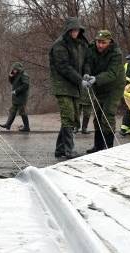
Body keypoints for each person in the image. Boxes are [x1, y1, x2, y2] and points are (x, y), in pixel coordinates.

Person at [49, 17, 88, 159]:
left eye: (77, 30)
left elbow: (86, 61)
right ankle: (68, 150)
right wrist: (80, 79)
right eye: (72, 30)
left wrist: (86, 74)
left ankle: (60, 149)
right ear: (68, 30)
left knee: (73, 118)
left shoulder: (81, 44)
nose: (75, 32)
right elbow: (63, 67)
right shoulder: (59, 45)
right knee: (68, 117)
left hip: (75, 86)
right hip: (62, 86)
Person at [82, 29, 123, 153]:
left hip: (114, 86)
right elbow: (87, 63)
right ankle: (98, 146)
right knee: (98, 115)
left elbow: (112, 73)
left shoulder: (116, 53)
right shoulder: (91, 48)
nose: (100, 45)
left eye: (103, 42)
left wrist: (96, 79)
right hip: (99, 86)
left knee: (107, 114)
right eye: (98, 42)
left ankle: (108, 147)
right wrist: (87, 74)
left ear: (109, 42)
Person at [0, 62, 30, 132]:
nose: (14, 70)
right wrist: (10, 76)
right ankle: (8, 124)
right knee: (12, 111)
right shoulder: (16, 74)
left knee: (22, 111)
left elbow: (26, 85)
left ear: (19, 69)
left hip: (21, 97)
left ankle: (27, 127)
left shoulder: (24, 75)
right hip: (16, 97)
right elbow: (12, 82)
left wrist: (16, 91)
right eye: (13, 69)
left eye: (15, 69)